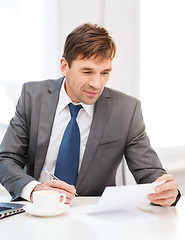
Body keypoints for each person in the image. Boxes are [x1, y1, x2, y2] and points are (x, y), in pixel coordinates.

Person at [0, 23, 180, 206]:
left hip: (95, 218)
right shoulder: (33, 96)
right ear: (64, 66)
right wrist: (35, 190)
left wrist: (165, 191)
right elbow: (6, 160)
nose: (97, 84)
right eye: (87, 71)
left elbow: (150, 173)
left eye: (105, 73)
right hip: (39, 210)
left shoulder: (126, 110)